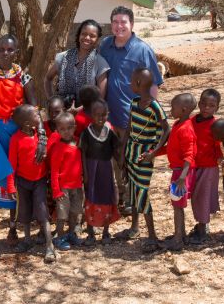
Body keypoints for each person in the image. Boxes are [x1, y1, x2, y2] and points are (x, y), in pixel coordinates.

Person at [0, 34, 46, 246]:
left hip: (14, 138)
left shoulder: (24, 79)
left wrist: (41, 136)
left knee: (14, 181)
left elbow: (34, 111)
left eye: (10, 50)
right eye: (1, 49)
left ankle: (13, 229)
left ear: (17, 53)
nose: (5, 53)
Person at [99, 6, 163, 214]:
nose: (119, 26)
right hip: (108, 116)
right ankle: (119, 198)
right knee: (114, 158)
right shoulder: (105, 45)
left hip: (133, 118)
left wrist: (150, 115)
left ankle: (132, 202)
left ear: (132, 24)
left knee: (131, 159)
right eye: (115, 22)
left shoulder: (142, 49)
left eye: (123, 22)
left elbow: (153, 85)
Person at [117, 68, 169, 253]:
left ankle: (153, 236)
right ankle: (134, 228)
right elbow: (129, 128)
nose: (130, 83)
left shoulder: (155, 107)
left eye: (132, 81)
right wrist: (122, 154)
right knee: (133, 188)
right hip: (131, 151)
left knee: (142, 194)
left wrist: (154, 152)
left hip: (144, 155)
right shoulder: (134, 102)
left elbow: (166, 130)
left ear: (138, 84)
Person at [8, 104, 56, 262]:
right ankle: (27, 239)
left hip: (40, 181)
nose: (40, 117)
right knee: (25, 211)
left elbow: (53, 140)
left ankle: (49, 246)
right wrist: (10, 186)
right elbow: (12, 165)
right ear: (27, 124)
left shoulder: (40, 136)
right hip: (23, 181)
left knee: (43, 212)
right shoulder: (16, 139)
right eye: (36, 116)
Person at [79, 98, 122, 247]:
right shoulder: (86, 133)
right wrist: (85, 173)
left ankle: (105, 231)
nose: (100, 118)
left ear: (107, 114)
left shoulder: (110, 132)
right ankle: (90, 232)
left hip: (106, 171)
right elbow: (83, 153)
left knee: (107, 198)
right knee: (90, 199)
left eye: (104, 114)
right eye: (97, 114)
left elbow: (116, 151)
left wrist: (122, 164)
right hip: (91, 171)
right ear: (91, 114)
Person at [45, 19, 110, 109]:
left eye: (92, 36)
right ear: (79, 35)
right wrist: (52, 101)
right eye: (84, 34)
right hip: (62, 114)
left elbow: (100, 97)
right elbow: (48, 79)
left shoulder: (100, 63)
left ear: (97, 39)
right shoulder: (64, 57)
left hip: (86, 115)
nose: (87, 38)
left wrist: (78, 110)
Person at [163, 93, 197, 252]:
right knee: (178, 204)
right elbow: (171, 147)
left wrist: (182, 177)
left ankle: (177, 239)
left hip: (181, 173)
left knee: (178, 205)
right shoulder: (178, 124)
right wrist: (152, 154)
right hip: (178, 171)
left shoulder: (186, 129)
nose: (170, 110)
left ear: (183, 110)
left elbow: (189, 155)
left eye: (173, 107)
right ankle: (181, 234)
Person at [189, 88, 222, 245]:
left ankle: (203, 231)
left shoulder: (216, 125)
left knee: (203, 197)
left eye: (211, 105)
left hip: (208, 166)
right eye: (204, 104)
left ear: (217, 108)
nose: (207, 108)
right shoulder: (192, 121)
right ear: (199, 103)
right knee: (196, 196)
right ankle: (202, 225)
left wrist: (221, 159)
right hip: (194, 165)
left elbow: (218, 145)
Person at [49, 112, 84, 251]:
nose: (66, 131)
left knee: (75, 211)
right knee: (62, 214)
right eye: (62, 129)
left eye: (69, 128)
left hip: (77, 185)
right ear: (57, 130)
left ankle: (71, 234)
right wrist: (56, 190)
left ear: (74, 127)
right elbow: (54, 171)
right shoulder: (58, 148)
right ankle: (59, 236)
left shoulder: (77, 142)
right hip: (63, 187)